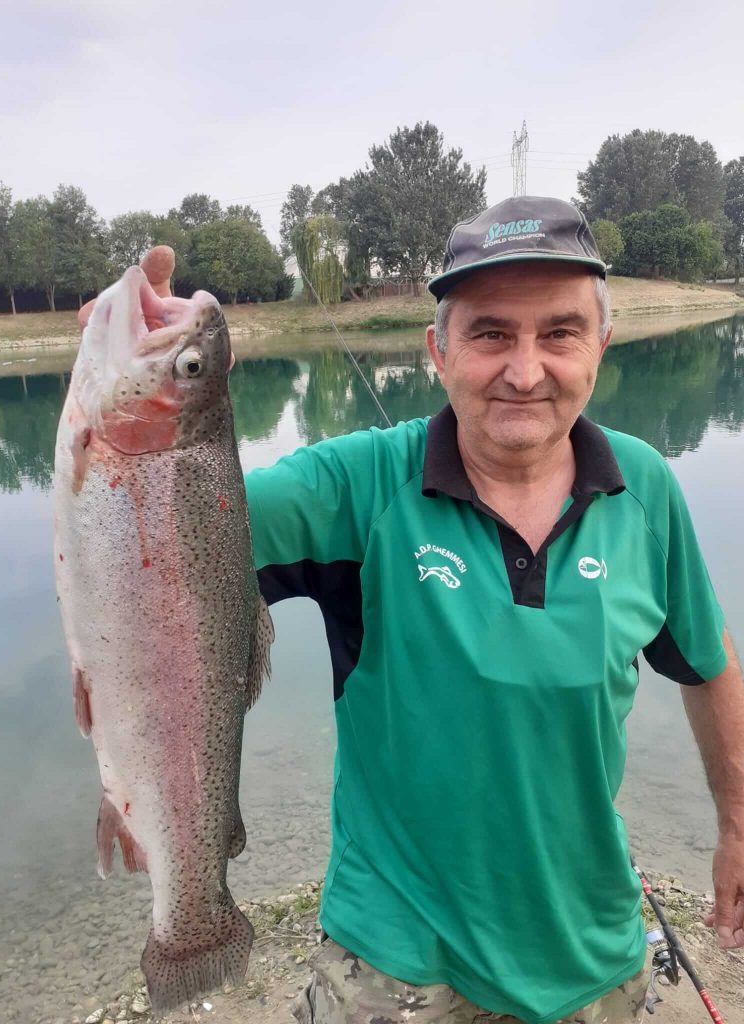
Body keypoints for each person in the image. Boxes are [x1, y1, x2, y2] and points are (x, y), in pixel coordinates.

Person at [82, 197, 744, 1024]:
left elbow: (705, 655)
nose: (526, 369)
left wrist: (737, 824)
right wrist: (141, 406)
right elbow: (164, 556)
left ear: (601, 347)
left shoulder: (644, 486)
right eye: (491, 333)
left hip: (595, 955)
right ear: (438, 349)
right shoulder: (353, 488)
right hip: (392, 967)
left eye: (561, 333)